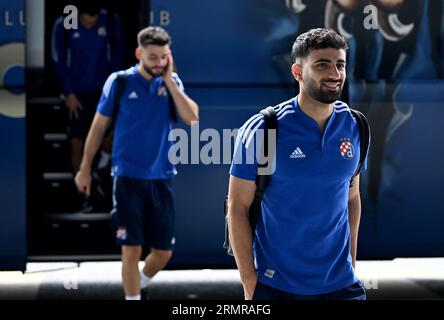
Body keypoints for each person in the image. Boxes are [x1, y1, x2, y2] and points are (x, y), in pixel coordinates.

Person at [227, 28, 369, 300]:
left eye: (340, 64)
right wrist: (249, 283)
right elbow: (237, 207)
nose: (334, 74)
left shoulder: (356, 126)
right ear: (297, 72)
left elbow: (351, 198)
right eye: (322, 65)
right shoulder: (263, 129)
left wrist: (350, 263)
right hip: (277, 286)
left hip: (341, 287)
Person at [74, 26, 199, 300]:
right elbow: (97, 128)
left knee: (163, 253)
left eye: (163, 56)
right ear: (139, 53)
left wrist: (168, 80)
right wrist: (85, 168)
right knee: (130, 249)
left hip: (161, 177)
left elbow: (192, 118)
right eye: (153, 57)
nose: (159, 63)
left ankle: (138, 284)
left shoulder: (171, 82)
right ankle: (132, 296)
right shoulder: (119, 82)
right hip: (127, 177)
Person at [51, 1, 125, 177]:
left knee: (110, 136)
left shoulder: (109, 20)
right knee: (76, 141)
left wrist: (113, 88)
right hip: (77, 92)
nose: (89, 25)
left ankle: (101, 168)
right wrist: (68, 92)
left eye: (93, 21)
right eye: (85, 22)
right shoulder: (67, 22)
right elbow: (58, 60)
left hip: (102, 91)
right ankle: (82, 191)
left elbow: (118, 55)